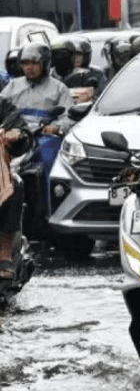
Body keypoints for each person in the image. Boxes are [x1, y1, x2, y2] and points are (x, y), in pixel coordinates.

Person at [0, 43, 75, 219]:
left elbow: (68, 116)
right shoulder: (12, 86)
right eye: (25, 63)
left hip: (43, 136)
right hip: (15, 134)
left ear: (45, 64)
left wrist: (56, 127)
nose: (29, 68)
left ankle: (49, 212)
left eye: (34, 63)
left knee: (47, 156)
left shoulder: (58, 88)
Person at [0, 96, 32, 281]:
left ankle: (4, 256)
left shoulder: (3, 105)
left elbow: (22, 129)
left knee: (16, 186)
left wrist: (17, 135)